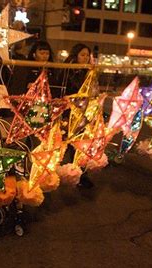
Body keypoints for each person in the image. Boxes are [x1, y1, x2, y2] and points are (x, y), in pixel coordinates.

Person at [59, 44, 95, 189]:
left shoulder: (88, 72)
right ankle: (57, 173)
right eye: (82, 55)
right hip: (68, 112)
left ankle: (79, 174)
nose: (85, 58)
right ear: (75, 55)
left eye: (87, 55)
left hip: (83, 113)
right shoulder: (68, 70)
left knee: (80, 145)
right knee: (63, 143)